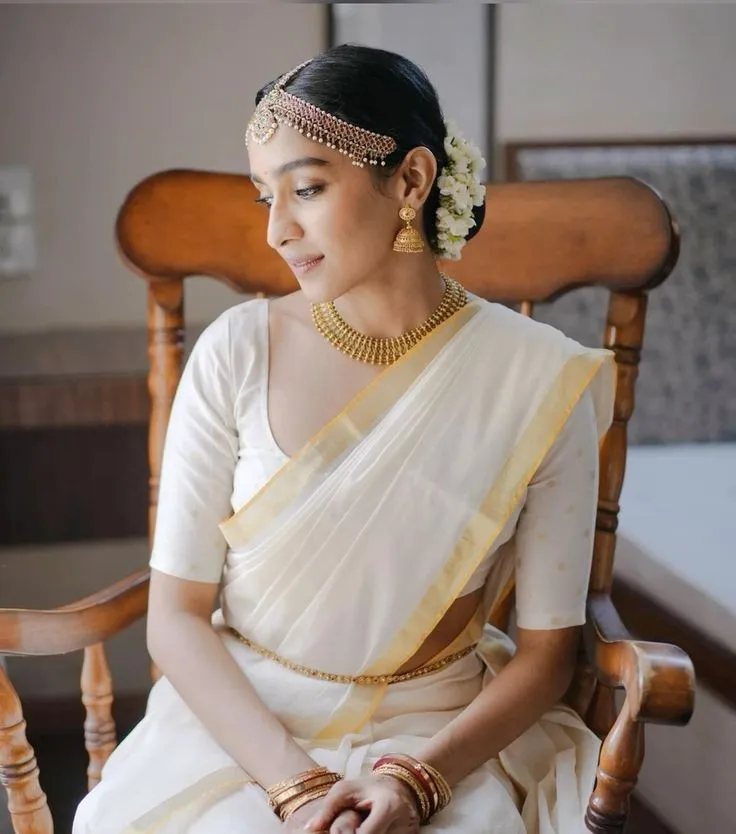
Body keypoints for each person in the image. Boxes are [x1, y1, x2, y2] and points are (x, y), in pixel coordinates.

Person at [73, 44, 615, 834]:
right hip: (247, 732)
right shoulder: (235, 352)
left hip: (441, 738)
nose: (276, 230)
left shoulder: (541, 381)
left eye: (308, 188)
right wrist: (295, 788)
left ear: (412, 180)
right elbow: (176, 617)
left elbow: (545, 655)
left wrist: (420, 780)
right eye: (266, 196)